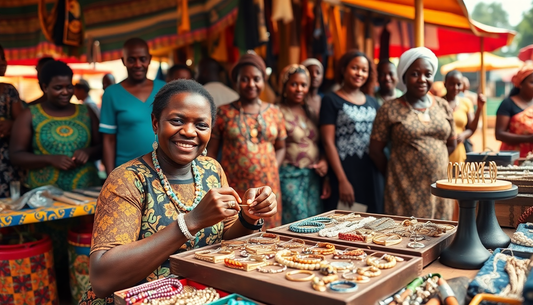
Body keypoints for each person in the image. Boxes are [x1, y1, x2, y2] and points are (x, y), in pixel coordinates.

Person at [80, 80, 277, 304]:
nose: (189, 132)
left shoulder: (211, 170)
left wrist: (249, 216)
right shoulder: (128, 180)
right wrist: (190, 222)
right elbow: (103, 279)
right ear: (155, 123)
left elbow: (226, 237)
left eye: (201, 125)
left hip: (203, 296)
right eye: (177, 121)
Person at [369, 47, 456, 220]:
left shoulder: (442, 105)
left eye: (427, 74)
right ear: (404, 77)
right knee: (407, 238)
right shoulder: (390, 108)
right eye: (415, 74)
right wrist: (397, 171)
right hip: (403, 188)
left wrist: (434, 162)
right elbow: (375, 151)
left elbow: (451, 143)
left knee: (440, 234)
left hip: (440, 186)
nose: (422, 79)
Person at [207, 52, 286, 228]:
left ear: (263, 81)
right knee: (236, 232)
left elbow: (281, 147)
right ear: (236, 81)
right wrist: (216, 180)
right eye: (245, 79)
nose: (251, 84)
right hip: (234, 187)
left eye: (256, 79)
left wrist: (273, 167)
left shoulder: (274, 111)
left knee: (269, 234)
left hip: (268, 186)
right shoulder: (224, 112)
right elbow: (211, 151)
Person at [10, 60, 101, 191]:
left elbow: (103, 146)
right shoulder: (30, 114)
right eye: (58, 88)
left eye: (69, 87)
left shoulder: (86, 112)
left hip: (86, 189)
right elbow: (16, 155)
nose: (65, 92)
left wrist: (88, 152)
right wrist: (50, 159)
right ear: (45, 87)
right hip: (44, 195)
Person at [320, 50, 384, 213]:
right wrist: (342, 180)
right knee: (345, 225)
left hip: (371, 173)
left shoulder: (372, 101)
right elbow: (328, 142)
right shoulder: (331, 100)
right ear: (343, 69)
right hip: (346, 172)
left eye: (364, 70)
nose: (359, 73)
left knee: (374, 224)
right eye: (355, 68)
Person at [100, 38, 166, 174]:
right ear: (123, 61)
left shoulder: (164, 89)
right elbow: (108, 139)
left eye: (142, 59)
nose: (138, 64)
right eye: (131, 59)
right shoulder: (112, 93)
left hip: (163, 169)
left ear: (149, 59)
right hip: (126, 171)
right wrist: (111, 175)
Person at [278, 64, 329, 223]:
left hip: (313, 177)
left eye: (303, 85)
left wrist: (323, 161)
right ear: (284, 86)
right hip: (289, 175)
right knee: (297, 221)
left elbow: (318, 143)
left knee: (314, 221)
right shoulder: (277, 111)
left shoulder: (310, 112)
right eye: (294, 84)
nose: (299, 89)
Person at [443, 70, 485, 163]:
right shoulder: (438, 103)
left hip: (459, 152)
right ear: (445, 84)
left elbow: (471, 128)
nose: (455, 87)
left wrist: (479, 109)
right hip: (442, 151)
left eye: (459, 84)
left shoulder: (466, 103)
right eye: (451, 84)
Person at [0, 45, 24, 197]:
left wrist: (12, 124)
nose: (3, 62)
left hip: (7, 157)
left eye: (3, 57)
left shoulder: (9, 90)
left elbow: (22, 122)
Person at [496, 63, 533, 157]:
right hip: (514, 157)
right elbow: (499, 134)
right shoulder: (508, 104)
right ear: (520, 84)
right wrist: (529, 139)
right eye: (532, 82)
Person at [302, 58, 324, 123]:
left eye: (318, 73)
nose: (314, 75)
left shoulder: (324, 99)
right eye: (309, 72)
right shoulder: (299, 100)